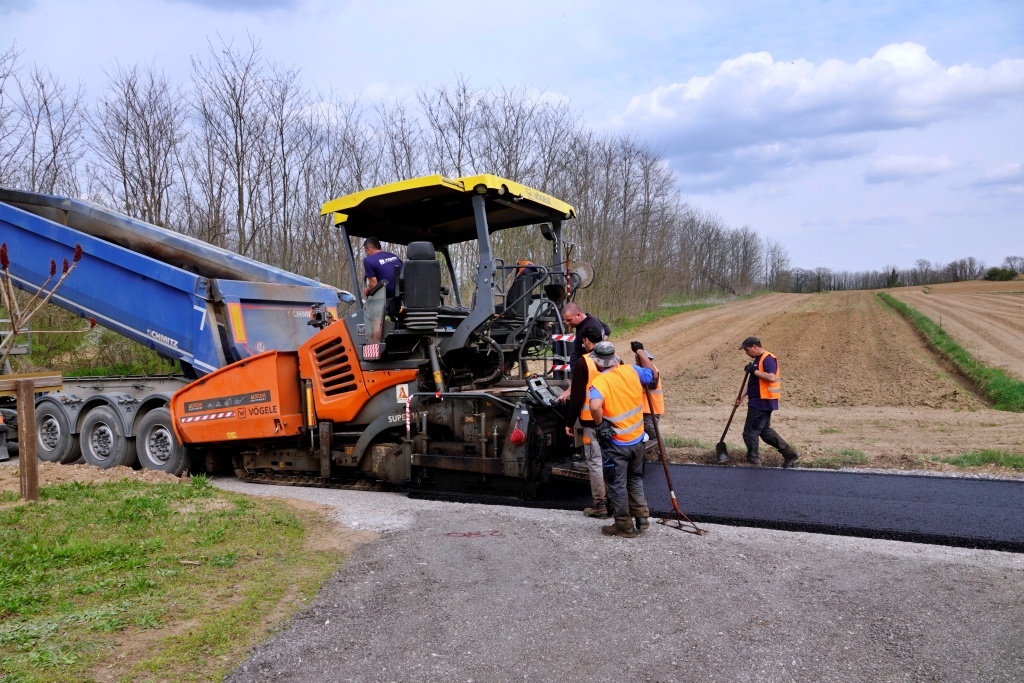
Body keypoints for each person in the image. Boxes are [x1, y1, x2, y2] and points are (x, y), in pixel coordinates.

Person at [588, 341, 658, 538]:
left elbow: (594, 407)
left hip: (617, 443)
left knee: (617, 484)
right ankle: (642, 518)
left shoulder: (601, 382)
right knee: (635, 478)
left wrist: (600, 425)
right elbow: (652, 374)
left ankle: (624, 526)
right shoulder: (632, 371)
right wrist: (640, 351)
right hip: (637, 439)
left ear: (597, 362)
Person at [558, 325, 608, 517]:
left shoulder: (583, 363)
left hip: (590, 421)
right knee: (610, 461)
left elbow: (577, 396)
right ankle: (614, 501)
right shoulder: (615, 361)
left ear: (587, 340)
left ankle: (600, 504)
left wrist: (569, 422)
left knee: (595, 462)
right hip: (610, 420)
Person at [735, 336, 799, 468]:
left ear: (754, 346)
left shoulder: (768, 358)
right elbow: (753, 382)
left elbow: (772, 377)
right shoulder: (757, 360)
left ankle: (753, 461)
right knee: (765, 432)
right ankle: (789, 454)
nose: (746, 353)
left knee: (750, 432)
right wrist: (740, 396)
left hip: (761, 402)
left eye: (747, 350)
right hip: (759, 401)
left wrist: (755, 371)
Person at [632, 341, 663, 456]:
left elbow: (652, 384)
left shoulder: (652, 371)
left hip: (650, 409)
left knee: (654, 435)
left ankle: (664, 457)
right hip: (646, 409)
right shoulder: (642, 371)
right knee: (648, 434)